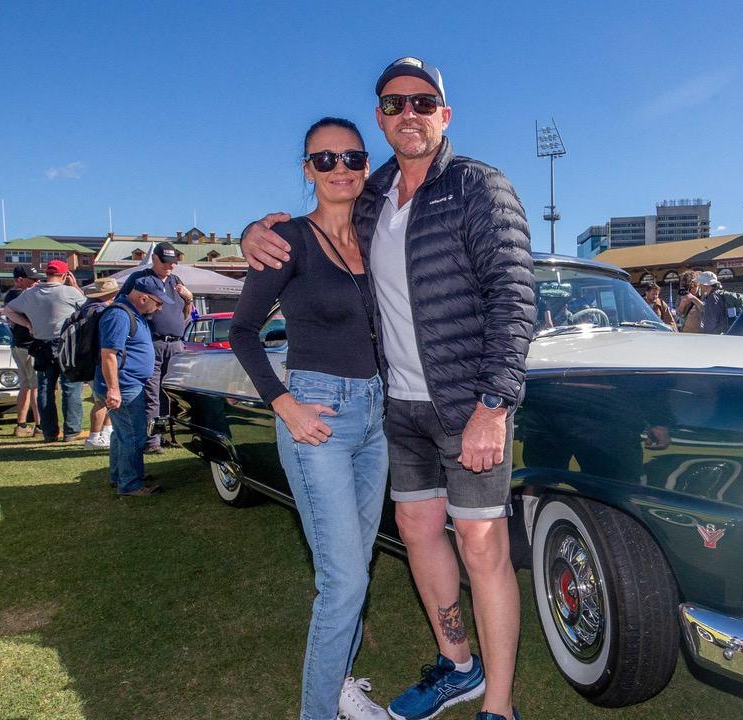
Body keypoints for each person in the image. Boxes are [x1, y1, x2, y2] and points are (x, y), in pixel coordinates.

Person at [239, 57, 535, 720]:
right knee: (416, 529)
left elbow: (515, 298)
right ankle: (458, 667)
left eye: (423, 102)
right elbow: (316, 225)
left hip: (468, 405)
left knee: (482, 545)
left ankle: (501, 706)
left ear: (444, 114)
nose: (410, 114)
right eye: (395, 104)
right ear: (381, 117)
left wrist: (494, 406)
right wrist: (256, 230)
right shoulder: (372, 197)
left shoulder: (476, 186)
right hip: (393, 409)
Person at [230, 117, 391, 720]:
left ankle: (342, 685)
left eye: (351, 157)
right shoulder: (287, 240)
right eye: (324, 160)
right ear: (307, 170)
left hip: (377, 416)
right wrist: (285, 403)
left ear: (365, 164)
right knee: (343, 581)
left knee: (359, 564)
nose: (340, 169)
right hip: (317, 416)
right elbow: (243, 332)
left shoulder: (377, 233)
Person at [118, 242, 195, 454]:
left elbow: (186, 312)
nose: (170, 267)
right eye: (166, 263)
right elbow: (123, 304)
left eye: (173, 263)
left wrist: (188, 298)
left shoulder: (176, 281)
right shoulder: (140, 279)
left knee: (172, 393)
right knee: (152, 394)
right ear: (155, 259)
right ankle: (152, 441)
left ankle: (172, 435)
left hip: (175, 343)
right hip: (152, 342)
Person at [96, 275, 168, 496]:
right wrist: (114, 389)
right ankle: (130, 484)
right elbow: (108, 354)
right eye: (158, 302)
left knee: (121, 434)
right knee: (134, 435)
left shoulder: (131, 313)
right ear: (144, 298)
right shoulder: (119, 314)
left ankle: (121, 475)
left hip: (128, 384)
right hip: (124, 386)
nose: (160, 308)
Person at [3, 260, 86, 443]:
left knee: (44, 389)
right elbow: (87, 308)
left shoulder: (30, 293)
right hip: (66, 344)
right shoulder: (69, 292)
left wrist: (28, 324)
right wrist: (76, 287)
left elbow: (8, 310)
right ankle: (72, 431)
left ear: (46, 274)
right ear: (65, 276)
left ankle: (49, 432)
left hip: (40, 342)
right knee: (70, 387)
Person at [80, 278, 121, 449]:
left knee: (105, 400)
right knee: (101, 400)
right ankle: (94, 437)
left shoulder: (88, 308)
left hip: (93, 359)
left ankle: (105, 432)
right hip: (99, 360)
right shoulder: (101, 311)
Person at [3, 266, 42, 437]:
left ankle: (22, 424)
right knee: (35, 386)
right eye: (32, 279)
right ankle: (40, 426)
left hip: (19, 344)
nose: (37, 282)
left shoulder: (12, 295)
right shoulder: (21, 296)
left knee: (26, 385)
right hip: (28, 345)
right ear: (19, 280)